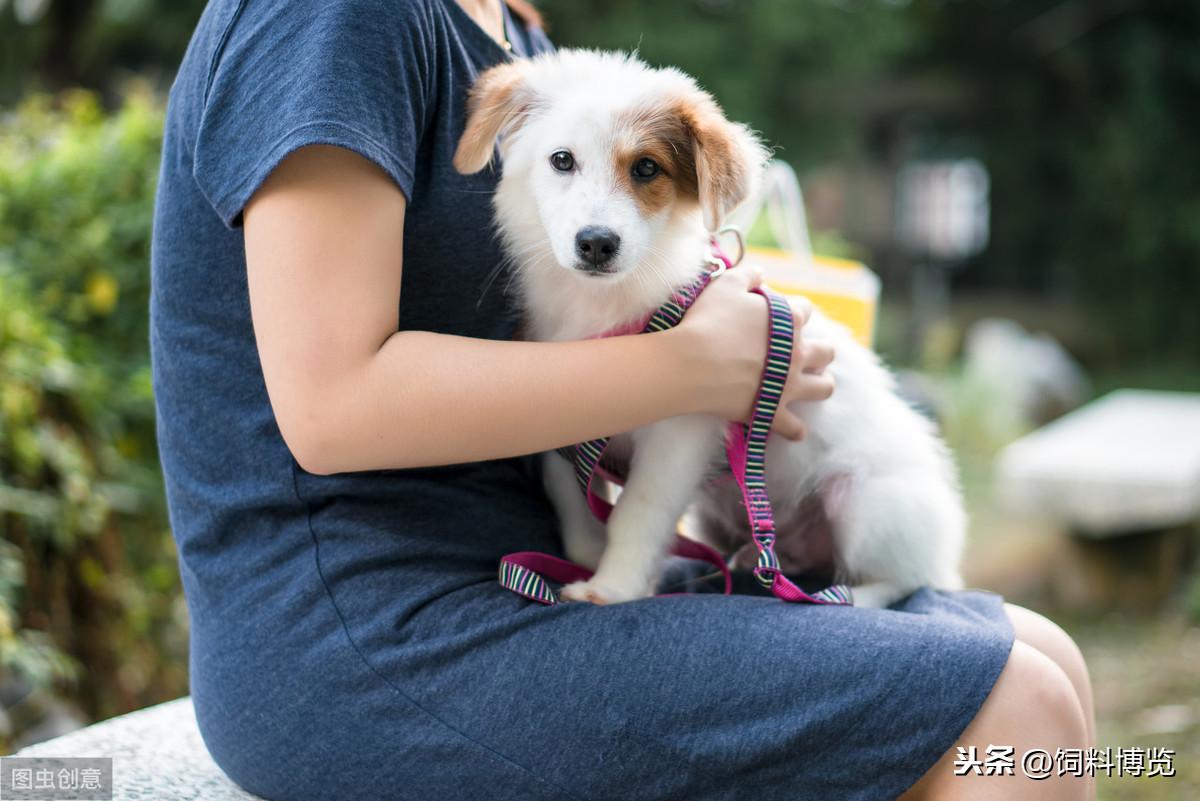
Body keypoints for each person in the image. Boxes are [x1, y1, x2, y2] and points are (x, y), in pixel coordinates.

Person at [150, 1, 1095, 799]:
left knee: (1048, 656)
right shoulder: (337, 18)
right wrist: (695, 366)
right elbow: (332, 405)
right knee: (1018, 707)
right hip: (365, 628)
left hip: (536, 570)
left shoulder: (514, 29)